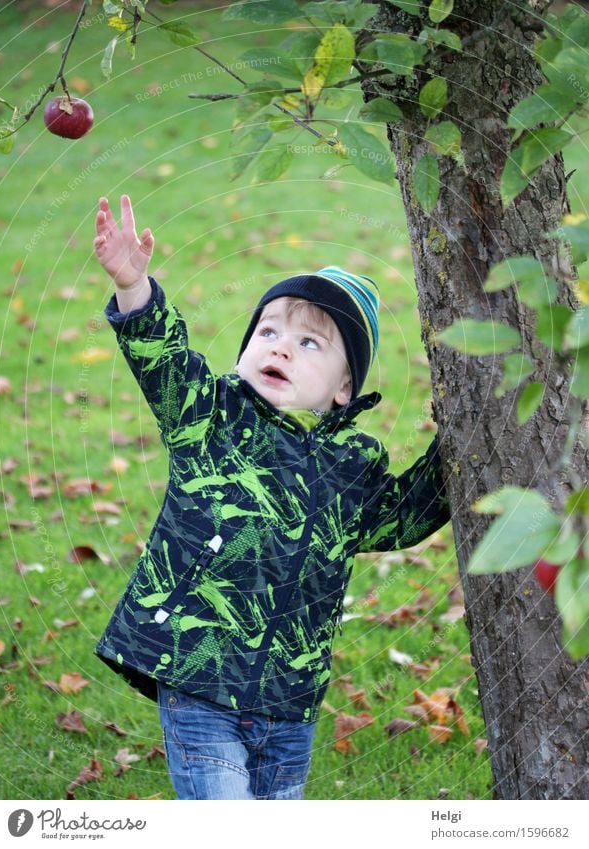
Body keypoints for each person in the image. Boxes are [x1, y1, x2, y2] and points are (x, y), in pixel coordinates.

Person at [92, 195, 451, 800]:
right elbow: (164, 361)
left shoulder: (353, 466)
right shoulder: (211, 417)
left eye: (310, 343)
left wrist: (462, 439)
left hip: (291, 701)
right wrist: (134, 287)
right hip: (198, 680)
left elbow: (406, 514)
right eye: (269, 331)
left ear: (344, 388)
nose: (281, 347)